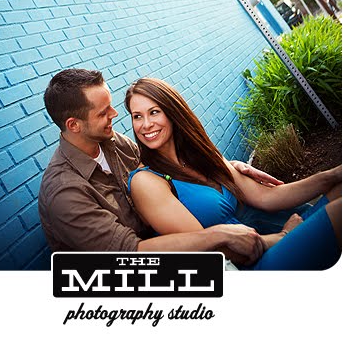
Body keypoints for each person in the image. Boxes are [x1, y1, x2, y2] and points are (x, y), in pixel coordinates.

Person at [38, 68, 283, 265]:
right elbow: (130, 254)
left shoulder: (112, 143)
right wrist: (218, 234)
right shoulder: (64, 193)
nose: (114, 113)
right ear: (74, 125)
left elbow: (161, 169)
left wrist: (226, 167)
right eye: (103, 112)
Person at [125, 77, 342, 270]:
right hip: (247, 264)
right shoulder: (146, 181)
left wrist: (331, 175)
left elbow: (266, 197)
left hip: (273, 239)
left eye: (154, 112)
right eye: (137, 116)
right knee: (339, 211)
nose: (146, 125)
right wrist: (284, 236)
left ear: (173, 112)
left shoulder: (201, 155)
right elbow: (208, 248)